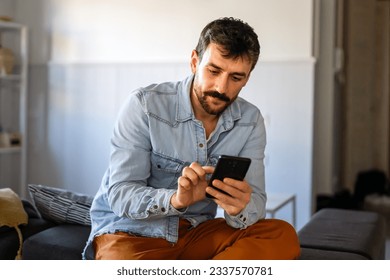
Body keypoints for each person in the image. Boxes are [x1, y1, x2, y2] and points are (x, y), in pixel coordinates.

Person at [82, 17, 300, 260]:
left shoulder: (250, 121)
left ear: (247, 78)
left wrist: (241, 208)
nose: (221, 87)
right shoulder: (144, 105)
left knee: (281, 234)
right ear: (195, 61)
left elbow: (256, 202)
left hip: (196, 232)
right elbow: (121, 194)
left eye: (236, 78)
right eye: (214, 71)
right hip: (131, 233)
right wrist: (175, 200)